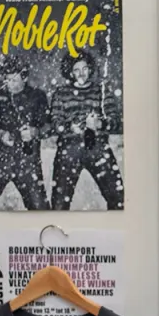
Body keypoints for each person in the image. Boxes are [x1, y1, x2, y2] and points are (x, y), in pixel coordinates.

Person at [48, 50, 124, 210]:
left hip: (98, 147)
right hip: (69, 149)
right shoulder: (61, 93)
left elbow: (117, 122)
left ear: (90, 69)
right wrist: (70, 128)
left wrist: (99, 125)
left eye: (84, 69)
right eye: (76, 69)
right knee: (59, 204)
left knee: (118, 199)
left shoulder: (102, 91)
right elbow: (54, 123)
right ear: (70, 72)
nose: (81, 73)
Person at [0, 55, 49, 210]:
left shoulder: (38, 96)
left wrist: (34, 132)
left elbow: (49, 127)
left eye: (14, 81)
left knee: (40, 210)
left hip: (28, 162)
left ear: (24, 78)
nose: (9, 85)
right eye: (6, 80)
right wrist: (0, 134)